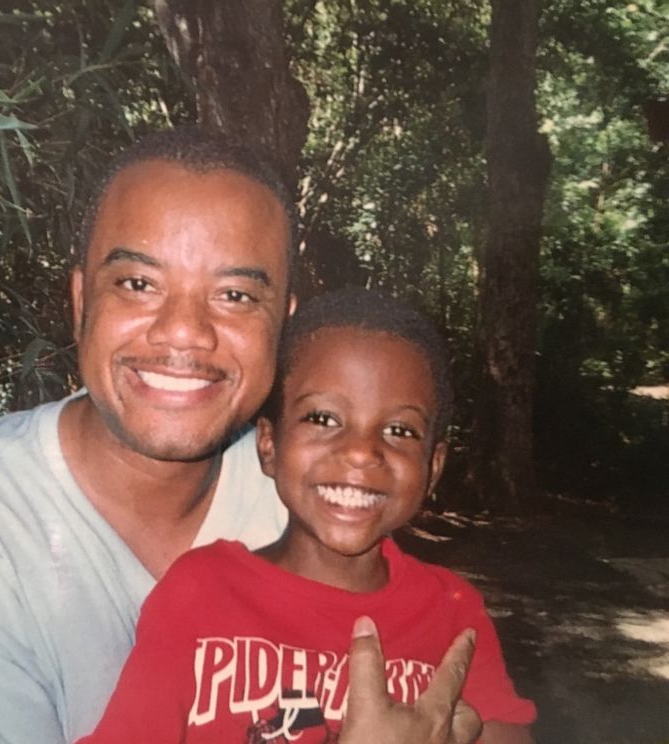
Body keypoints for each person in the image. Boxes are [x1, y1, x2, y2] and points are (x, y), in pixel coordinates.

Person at [0, 128, 483, 744]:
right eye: (138, 284)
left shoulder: (306, 501)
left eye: (234, 296)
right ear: (83, 303)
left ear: (282, 327)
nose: (184, 332)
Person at [77, 289, 536, 743]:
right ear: (269, 445)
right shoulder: (201, 592)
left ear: (432, 467)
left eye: (399, 430)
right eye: (322, 419)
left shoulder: (452, 613)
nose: (361, 452)